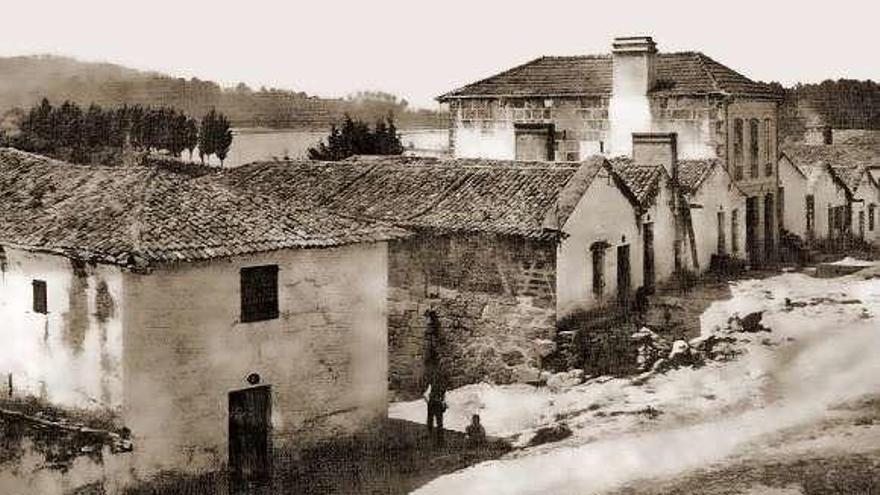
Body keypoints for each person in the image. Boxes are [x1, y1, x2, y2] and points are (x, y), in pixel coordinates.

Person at [423, 378, 447, 446]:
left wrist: (428, 402)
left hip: (432, 404)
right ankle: (439, 441)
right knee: (439, 423)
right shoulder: (442, 387)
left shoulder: (432, 386)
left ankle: (433, 439)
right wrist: (443, 403)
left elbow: (425, 395)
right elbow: (444, 397)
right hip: (437, 405)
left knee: (431, 421)